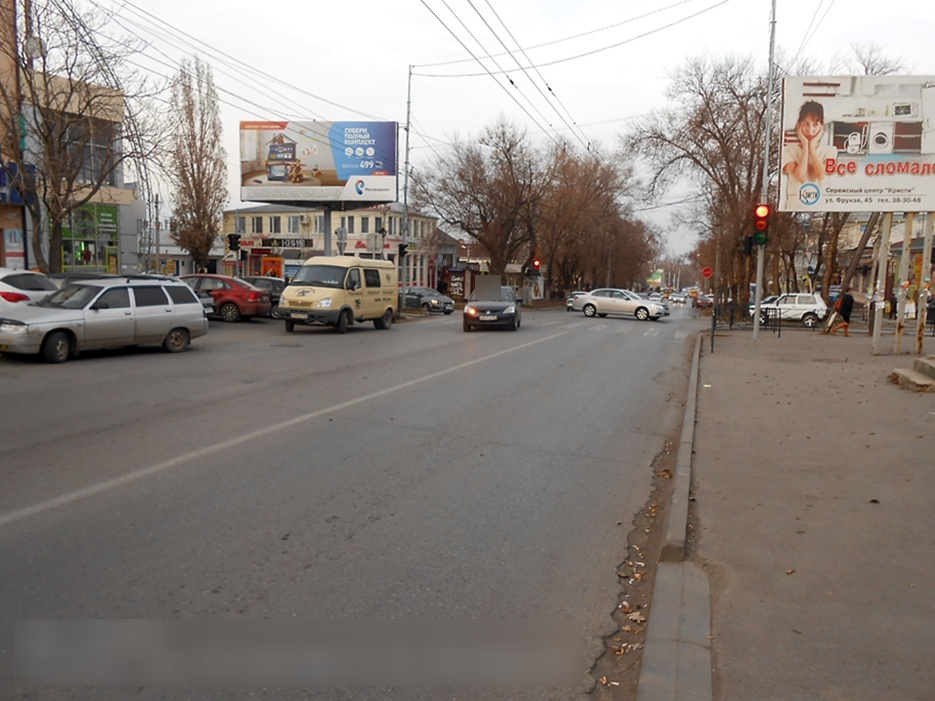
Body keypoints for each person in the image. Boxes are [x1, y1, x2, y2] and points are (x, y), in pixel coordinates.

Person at [782, 101, 838, 204]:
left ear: (821, 126)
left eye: (815, 124)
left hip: (823, 206)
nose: (810, 130)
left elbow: (821, 174)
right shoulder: (788, 151)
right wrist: (805, 146)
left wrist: (811, 147)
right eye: (806, 124)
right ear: (799, 125)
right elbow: (800, 177)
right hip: (795, 206)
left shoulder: (830, 151)